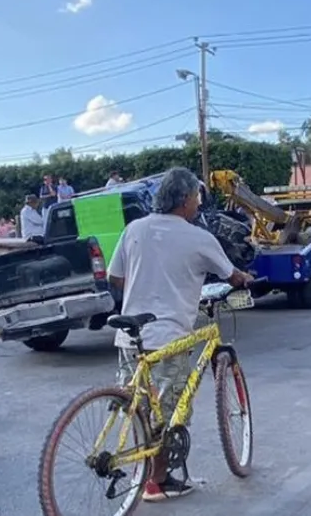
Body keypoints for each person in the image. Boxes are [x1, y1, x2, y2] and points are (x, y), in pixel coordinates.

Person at [107, 167, 252, 501]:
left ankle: (143, 468)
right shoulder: (198, 237)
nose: (199, 204)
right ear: (186, 199)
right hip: (168, 337)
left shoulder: (134, 229)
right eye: (197, 197)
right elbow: (231, 275)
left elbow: (116, 279)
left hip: (130, 337)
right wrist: (243, 278)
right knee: (169, 413)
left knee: (140, 408)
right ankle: (157, 481)